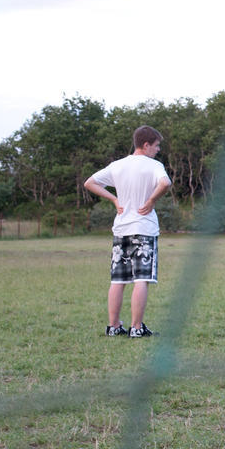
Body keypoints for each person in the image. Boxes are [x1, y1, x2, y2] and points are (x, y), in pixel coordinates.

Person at [84, 125, 172, 338]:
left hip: (121, 229)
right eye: (157, 146)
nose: (158, 150)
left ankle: (113, 327)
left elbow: (90, 183)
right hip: (144, 229)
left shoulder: (117, 165)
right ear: (146, 144)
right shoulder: (153, 165)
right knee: (141, 279)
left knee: (118, 280)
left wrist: (114, 198)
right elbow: (166, 183)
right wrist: (151, 200)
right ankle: (136, 327)